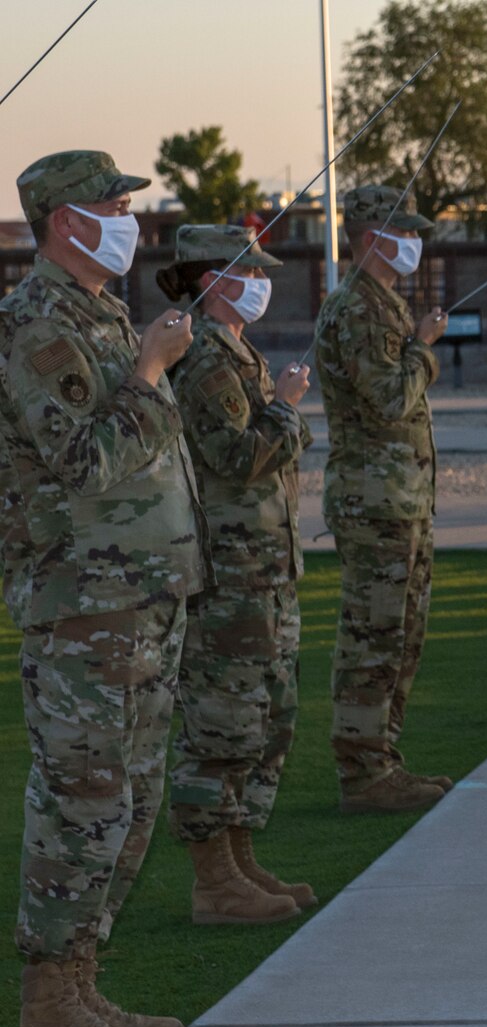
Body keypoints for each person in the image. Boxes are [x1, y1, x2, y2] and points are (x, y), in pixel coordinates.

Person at [2, 150, 199, 1027]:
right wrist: (151, 372)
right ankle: (48, 1006)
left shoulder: (97, 311)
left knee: (127, 803)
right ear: (65, 221)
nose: (128, 212)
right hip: (84, 603)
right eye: (113, 202)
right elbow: (85, 459)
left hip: (141, 598)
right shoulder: (37, 323)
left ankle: (81, 987)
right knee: (82, 801)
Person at [157, 226, 317, 927]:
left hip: (264, 569)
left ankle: (241, 857)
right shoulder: (204, 361)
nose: (260, 279)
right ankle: (213, 879)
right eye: (247, 270)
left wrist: (280, 411)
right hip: (228, 574)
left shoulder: (233, 350)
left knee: (265, 719)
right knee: (220, 723)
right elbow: (237, 455)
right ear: (213, 279)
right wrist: (285, 406)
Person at [312, 184, 453, 814]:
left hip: (400, 499)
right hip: (374, 501)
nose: (416, 243)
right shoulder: (358, 310)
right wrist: (424, 349)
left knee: (401, 635)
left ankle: (382, 762)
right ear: (373, 238)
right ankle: (363, 771)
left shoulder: (382, 304)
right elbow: (389, 398)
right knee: (373, 636)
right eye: (407, 232)